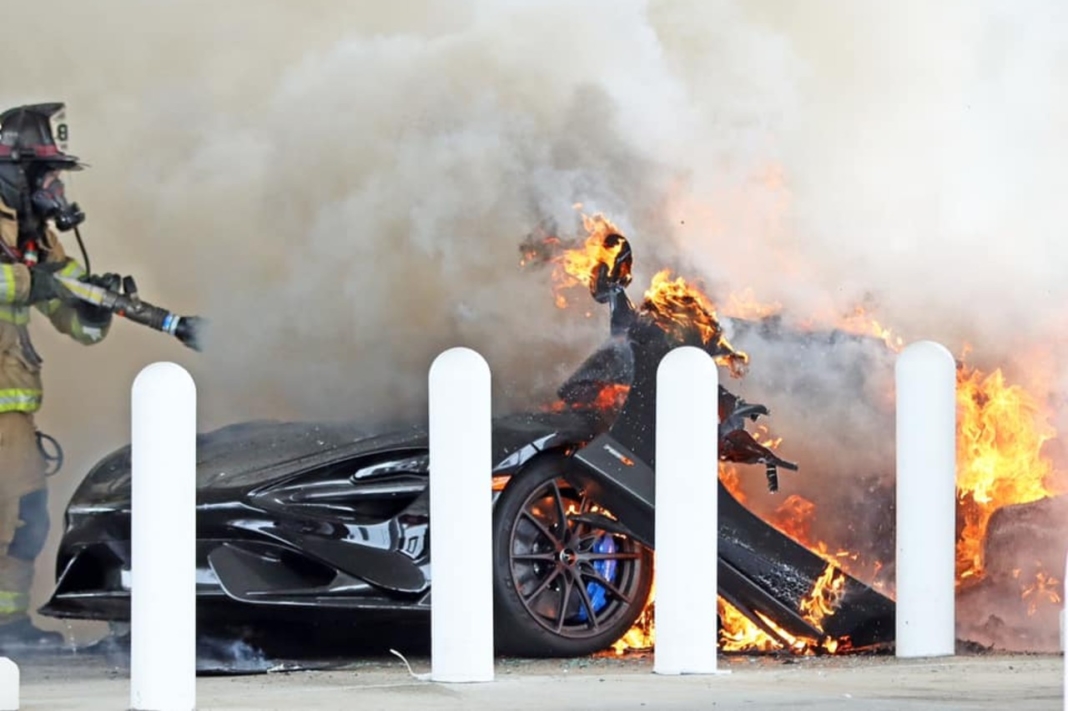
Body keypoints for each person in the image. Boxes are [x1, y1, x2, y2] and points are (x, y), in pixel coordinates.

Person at [0, 103, 116, 650]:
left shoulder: (36, 235)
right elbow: (28, 285)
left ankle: (8, 626)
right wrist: (31, 283)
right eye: (45, 173)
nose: (54, 187)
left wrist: (97, 307)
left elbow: (71, 312)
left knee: (27, 519)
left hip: (12, 413)